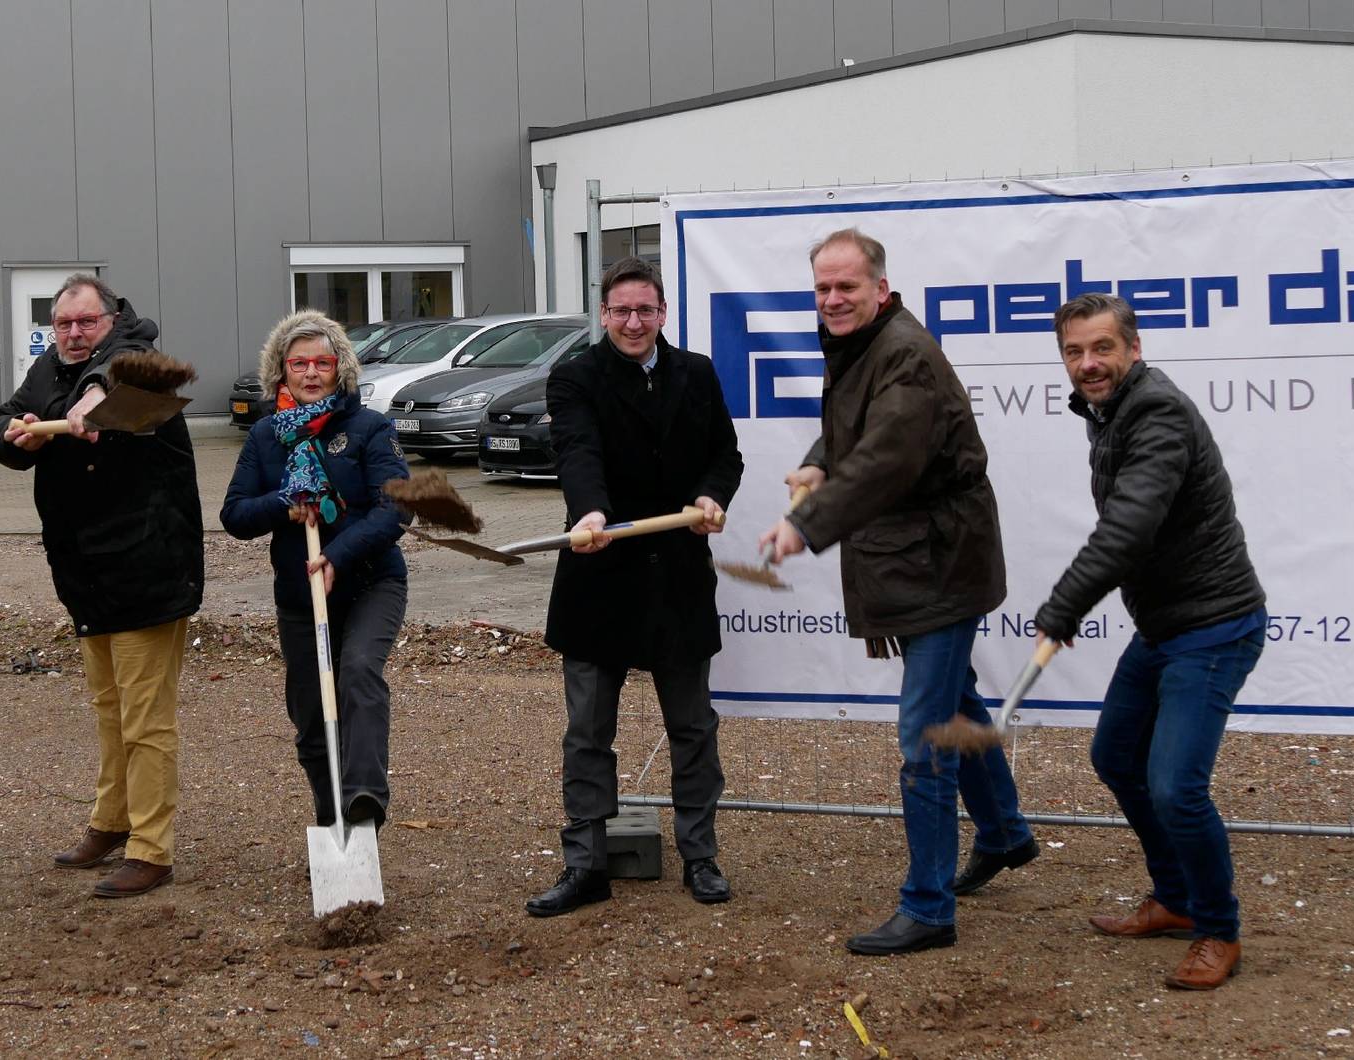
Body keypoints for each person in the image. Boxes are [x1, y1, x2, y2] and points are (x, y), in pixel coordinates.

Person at [759, 228, 1037, 956]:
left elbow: (887, 457)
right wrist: (819, 462)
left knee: (924, 740)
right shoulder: (862, 347)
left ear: (880, 289)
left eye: (846, 287)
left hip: (939, 568)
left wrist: (806, 524)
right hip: (919, 562)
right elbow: (855, 434)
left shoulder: (904, 355)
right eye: (822, 288)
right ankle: (1005, 834)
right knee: (956, 704)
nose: (832, 300)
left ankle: (928, 906)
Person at [1035, 292, 1268, 991]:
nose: (1088, 364)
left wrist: (1065, 605)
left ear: (1132, 349)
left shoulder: (1156, 412)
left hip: (1216, 625)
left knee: (1176, 788)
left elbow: (1129, 526)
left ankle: (1217, 930)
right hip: (1166, 625)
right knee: (1115, 754)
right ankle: (1173, 897)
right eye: (1074, 352)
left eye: (1102, 348)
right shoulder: (1106, 413)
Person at [526, 256, 744, 918]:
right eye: (621, 311)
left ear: (663, 314)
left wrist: (710, 495)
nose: (632, 322)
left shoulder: (696, 374)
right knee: (588, 729)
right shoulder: (575, 378)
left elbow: (723, 454)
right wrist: (590, 512)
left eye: (644, 310)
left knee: (692, 727)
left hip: (677, 574)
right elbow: (577, 451)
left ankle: (700, 855)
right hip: (600, 575)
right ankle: (585, 862)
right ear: (603, 314)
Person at [0, 274, 203, 898]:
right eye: (64, 324)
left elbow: (112, 378)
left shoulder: (143, 366)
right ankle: (112, 822)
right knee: (110, 709)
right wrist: (13, 432)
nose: (75, 334)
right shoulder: (48, 368)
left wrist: (87, 400)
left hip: (147, 568)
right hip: (86, 571)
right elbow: (6, 421)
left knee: (146, 719)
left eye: (87, 322)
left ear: (111, 319)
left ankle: (152, 849)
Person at [221, 310, 410, 830]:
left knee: (356, 674)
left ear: (339, 369)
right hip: (300, 595)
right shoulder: (265, 437)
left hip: (371, 581)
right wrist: (284, 503)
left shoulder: (370, 428)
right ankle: (333, 826)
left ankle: (365, 799)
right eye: (298, 362)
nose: (310, 373)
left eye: (321, 362)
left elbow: (396, 507)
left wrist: (338, 554)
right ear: (281, 371)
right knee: (310, 715)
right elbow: (234, 515)